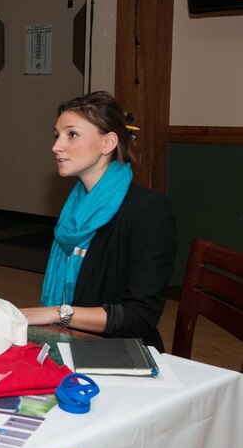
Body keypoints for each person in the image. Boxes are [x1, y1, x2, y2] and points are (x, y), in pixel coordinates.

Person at [20, 92, 176, 350]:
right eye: (57, 135)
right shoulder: (76, 210)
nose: (56, 146)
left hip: (121, 353)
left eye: (72, 134)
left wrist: (58, 313)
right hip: (73, 343)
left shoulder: (149, 210)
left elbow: (140, 317)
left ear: (108, 143)